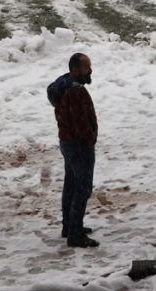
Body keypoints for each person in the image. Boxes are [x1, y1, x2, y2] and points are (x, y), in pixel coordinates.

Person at [47, 53, 99, 247]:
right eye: (87, 67)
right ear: (75, 69)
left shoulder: (62, 84)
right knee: (82, 188)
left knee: (70, 184)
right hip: (79, 145)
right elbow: (81, 122)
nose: (90, 71)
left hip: (66, 142)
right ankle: (75, 234)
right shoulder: (76, 92)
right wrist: (90, 139)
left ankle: (69, 225)